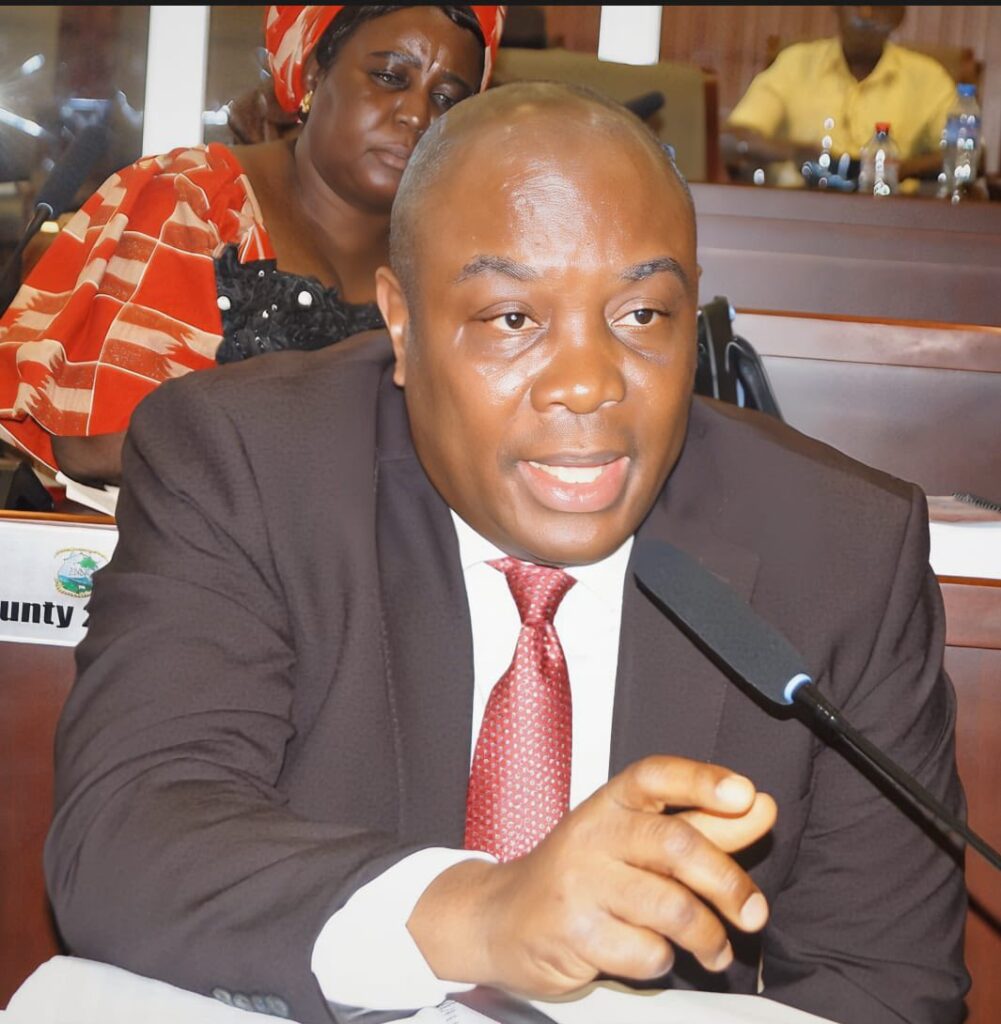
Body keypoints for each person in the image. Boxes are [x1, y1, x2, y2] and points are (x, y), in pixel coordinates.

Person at [44, 81, 968, 1024]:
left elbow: (883, 984)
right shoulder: (251, 467)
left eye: (642, 315)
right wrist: (481, 914)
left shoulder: (839, 546)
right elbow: (129, 833)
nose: (586, 384)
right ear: (401, 323)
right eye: (512, 319)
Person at [0, 4, 505, 491]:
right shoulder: (197, 200)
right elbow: (96, 443)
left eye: (447, 99)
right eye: (390, 77)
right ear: (313, 74)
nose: (417, 114)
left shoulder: (461, 255)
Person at [721, 5, 957, 186]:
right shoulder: (795, 64)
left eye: (879, 5)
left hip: (889, 217)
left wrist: (898, 170)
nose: (865, 14)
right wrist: (797, 153)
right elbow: (734, 137)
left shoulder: (928, 79)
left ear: (899, 15)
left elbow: (961, 153)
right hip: (797, 211)